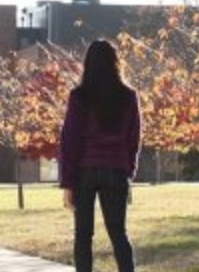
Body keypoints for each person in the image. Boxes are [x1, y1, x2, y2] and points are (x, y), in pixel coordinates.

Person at [59, 40, 142, 272]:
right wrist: (128, 172)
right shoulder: (129, 96)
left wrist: (68, 183)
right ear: (116, 63)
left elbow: (70, 141)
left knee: (83, 236)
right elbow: (134, 139)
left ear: (88, 64)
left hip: (85, 171)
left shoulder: (79, 96)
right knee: (119, 234)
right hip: (116, 170)